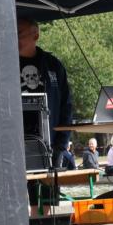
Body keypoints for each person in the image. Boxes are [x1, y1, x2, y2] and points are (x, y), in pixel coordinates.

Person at [17, 16, 73, 157]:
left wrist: (61, 145)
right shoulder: (5, 64)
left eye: (19, 33)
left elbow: (66, 106)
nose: (14, 39)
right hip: (16, 145)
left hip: (50, 145)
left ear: (36, 35)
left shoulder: (53, 65)